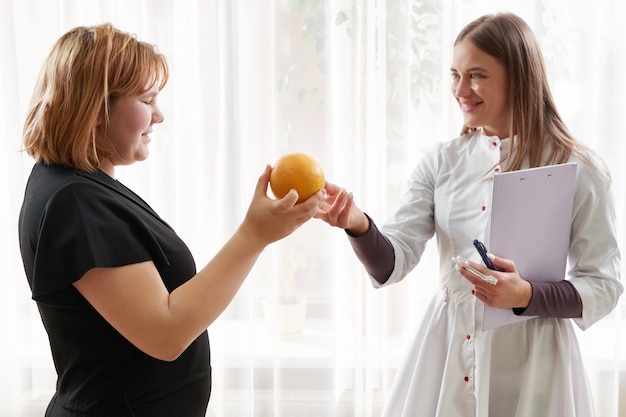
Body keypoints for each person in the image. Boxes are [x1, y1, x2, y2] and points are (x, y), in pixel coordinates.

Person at [316, 12, 622, 417]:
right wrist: (356, 223)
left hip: (538, 366)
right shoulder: (441, 163)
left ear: (519, 77)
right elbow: (394, 261)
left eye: (476, 75)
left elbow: (604, 285)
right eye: (454, 75)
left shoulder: (577, 168)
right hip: (446, 356)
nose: (461, 90)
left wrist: (527, 295)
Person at [18, 24, 323, 417]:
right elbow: (165, 333)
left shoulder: (80, 186)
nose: (159, 115)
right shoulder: (75, 202)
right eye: (147, 99)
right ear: (96, 109)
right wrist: (254, 235)